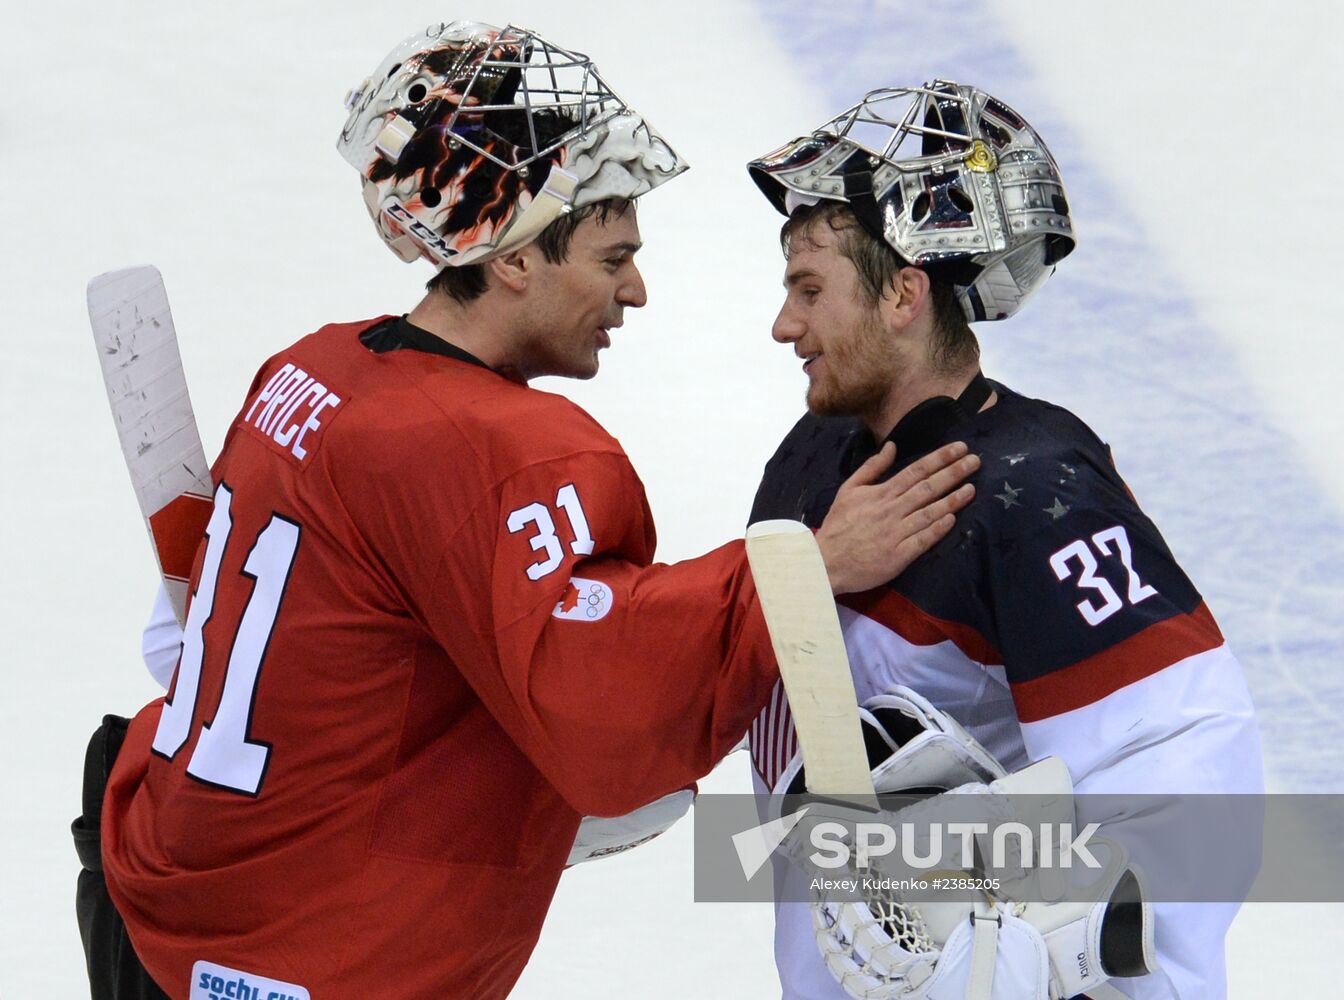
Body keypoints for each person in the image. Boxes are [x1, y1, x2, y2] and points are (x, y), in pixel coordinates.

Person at [75, 25, 982, 1000]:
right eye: (611, 255)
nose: (634, 290)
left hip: (155, 896)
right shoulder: (503, 454)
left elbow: (268, 610)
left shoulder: (309, 371)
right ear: (511, 260)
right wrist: (810, 566)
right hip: (305, 965)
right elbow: (612, 712)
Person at [744, 82, 1263, 998]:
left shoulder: (1038, 488)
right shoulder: (812, 456)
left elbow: (1188, 775)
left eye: (810, 290)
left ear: (905, 293)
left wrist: (1039, 966)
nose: (786, 325)